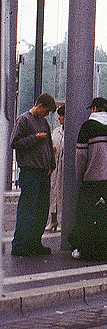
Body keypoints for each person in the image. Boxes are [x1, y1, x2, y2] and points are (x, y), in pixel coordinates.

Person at [70, 97, 107, 261]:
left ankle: (80, 248)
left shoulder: (87, 126)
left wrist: (80, 176)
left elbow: (81, 156)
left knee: (85, 214)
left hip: (90, 179)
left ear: (94, 109)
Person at [10, 93, 57, 256]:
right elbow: (15, 142)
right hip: (30, 171)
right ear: (40, 106)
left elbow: (49, 145)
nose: (46, 115)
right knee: (28, 209)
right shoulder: (24, 120)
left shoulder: (44, 123)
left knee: (41, 210)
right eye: (46, 111)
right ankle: (20, 245)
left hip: (43, 172)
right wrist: (34, 138)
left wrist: (51, 164)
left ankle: (34, 242)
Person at [46, 105, 65, 232]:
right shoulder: (56, 131)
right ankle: (53, 220)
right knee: (52, 193)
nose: (59, 118)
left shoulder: (72, 131)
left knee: (62, 195)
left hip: (64, 168)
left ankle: (62, 221)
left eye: (61, 116)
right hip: (55, 167)